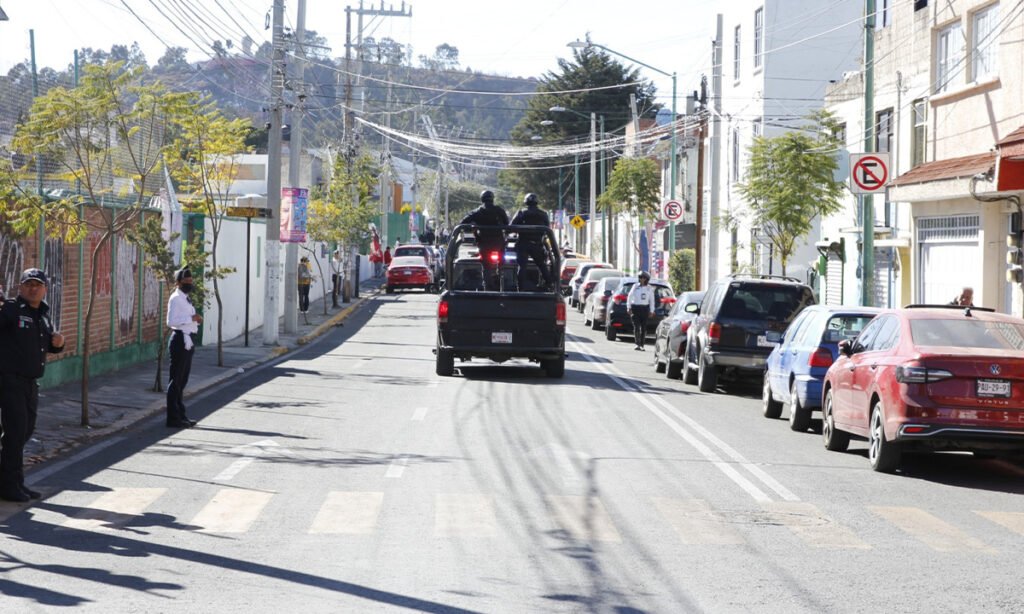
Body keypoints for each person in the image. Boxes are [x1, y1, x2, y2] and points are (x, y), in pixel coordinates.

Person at [0, 268, 65, 502]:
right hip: (9, 380)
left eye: (37, 284)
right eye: (28, 284)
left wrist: (58, 343)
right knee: (15, 432)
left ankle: (14, 481)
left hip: (30, 382)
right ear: (20, 287)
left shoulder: (43, 314)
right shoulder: (11, 309)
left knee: (25, 431)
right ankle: (8, 485)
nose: (33, 288)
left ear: (45, 288)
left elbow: (46, 344)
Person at [166, 267, 201, 429]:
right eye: (186, 281)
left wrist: (194, 320)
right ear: (178, 282)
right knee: (176, 381)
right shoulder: (175, 298)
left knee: (182, 381)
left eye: (190, 281)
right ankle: (173, 418)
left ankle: (180, 414)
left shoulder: (185, 298)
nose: (189, 283)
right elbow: (171, 321)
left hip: (187, 340)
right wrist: (191, 318)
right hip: (180, 340)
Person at [460, 190, 510, 290]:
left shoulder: (478, 211)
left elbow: (463, 222)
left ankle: (488, 287)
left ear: (482, 199)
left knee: (486, 266)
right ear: (492, 198)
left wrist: (473, 227)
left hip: (484, 244)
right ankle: (501, 276)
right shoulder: (499, 210)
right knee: (502, 260)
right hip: (498, 243)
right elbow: (507, 223)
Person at [510, 192, 553, 290]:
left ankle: (520, 287)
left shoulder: (521, 212)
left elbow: (511, 225)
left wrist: (517, 230)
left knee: (522, 266)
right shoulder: (543, 214)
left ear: (526, 202)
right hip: (537, 244)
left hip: (523, 243)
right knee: (541, 265)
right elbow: (547, 228)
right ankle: (549, 283)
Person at [627, 271, 656, 351]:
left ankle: (642, 344)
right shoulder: (635, 286)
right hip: (635, 308)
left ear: (646, 279)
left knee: (643, 328)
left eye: (643, 278)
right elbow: (630, 296)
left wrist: (652, 310)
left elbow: (651, 300)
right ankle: (637, 344)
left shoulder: (649, 288)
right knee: (636, 327)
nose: (641, 279)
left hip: (644, 309)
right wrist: (628, 307)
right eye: (640, 278)